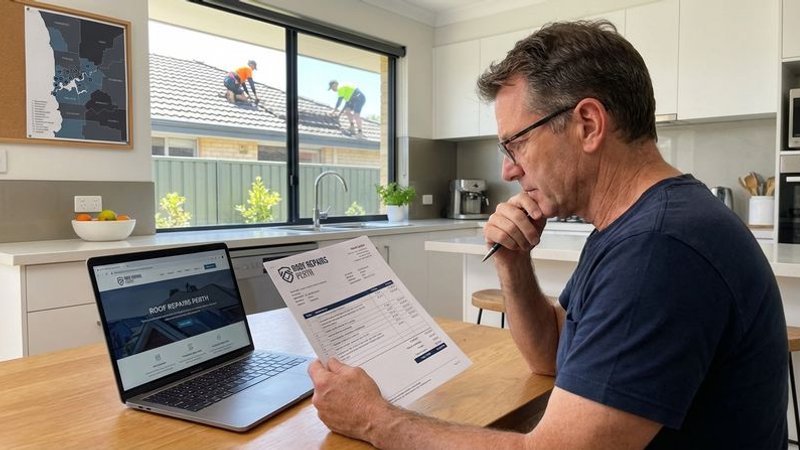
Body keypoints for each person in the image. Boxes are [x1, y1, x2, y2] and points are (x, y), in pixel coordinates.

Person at [308, 20, 789, 449]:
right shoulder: (631, 227)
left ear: (587, 124)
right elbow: (552, 357)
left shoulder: (656, 250)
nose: (508, 168)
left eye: (516, 141)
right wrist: (513, 261)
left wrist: (375, 420)